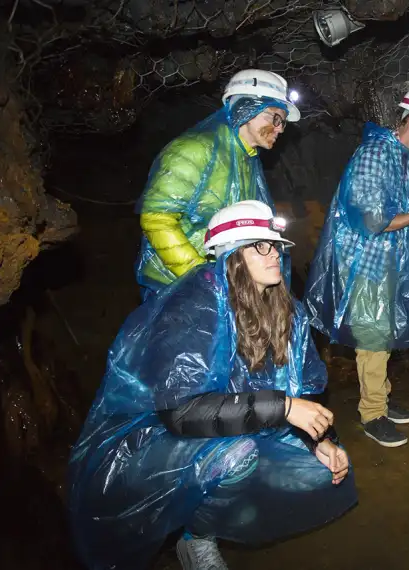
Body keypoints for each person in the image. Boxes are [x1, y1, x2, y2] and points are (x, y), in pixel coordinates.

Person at [68, 201, 357, 570]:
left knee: (316, 471)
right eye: (260, 245)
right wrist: (283, 408)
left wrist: (322, 439)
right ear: (232, 255)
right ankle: (195, 538)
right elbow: (181, 413)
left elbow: (304, 387)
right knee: (237, 456)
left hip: (237, 423)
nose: (275, 254)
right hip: (153, 441)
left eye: (275, 244)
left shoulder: (283, 307)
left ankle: (226, 503)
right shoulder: (192, 307)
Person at [304, 85, 409, 448]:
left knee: (383, 335)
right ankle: (372, 413)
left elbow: (398, 214)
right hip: (368, 263)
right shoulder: (376, 153)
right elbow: (373, 220)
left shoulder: (403, 158)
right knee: (373, 338)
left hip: (391, 262)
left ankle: (382, 398)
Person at [135, 69, 300, 299]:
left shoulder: (247, 161)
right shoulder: (194, 151)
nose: (281, 128)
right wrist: (200, 276)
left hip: (224, 288)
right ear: (247, 108)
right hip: (175, 289)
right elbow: (156, 219)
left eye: (282, 122)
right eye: (275, 117)